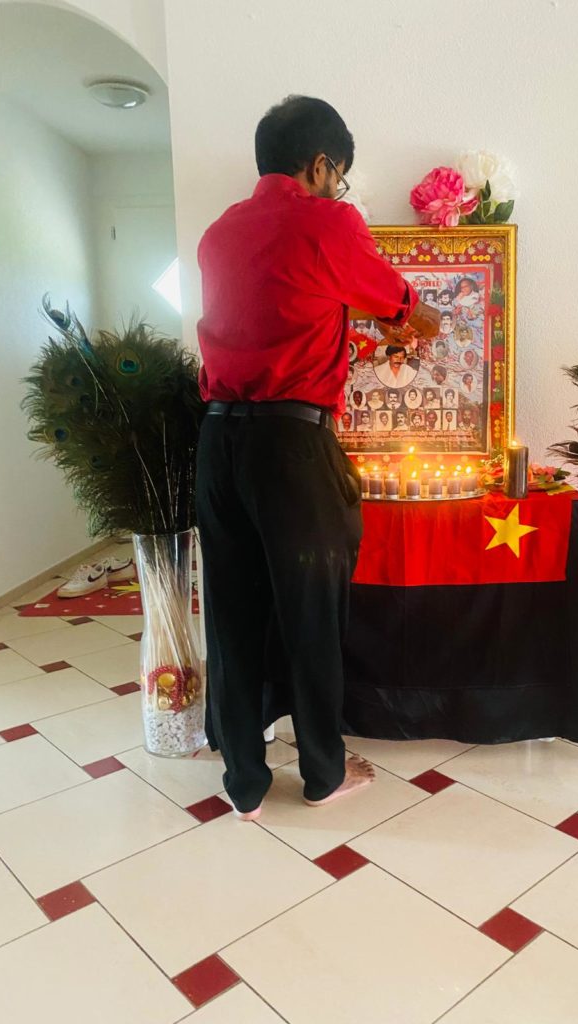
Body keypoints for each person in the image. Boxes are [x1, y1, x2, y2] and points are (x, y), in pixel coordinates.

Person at [195, 95, 439, 820]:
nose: (341, 188)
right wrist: (417, 321)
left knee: (232, 615)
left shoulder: (218, 232)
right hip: (292, 447)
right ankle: (324, 773)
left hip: (216, 441)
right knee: (312, 612)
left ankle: (244, 783)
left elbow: (281, 304)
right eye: (341, 175)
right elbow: (401, 304)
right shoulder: (328, 220)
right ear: (323, 164)